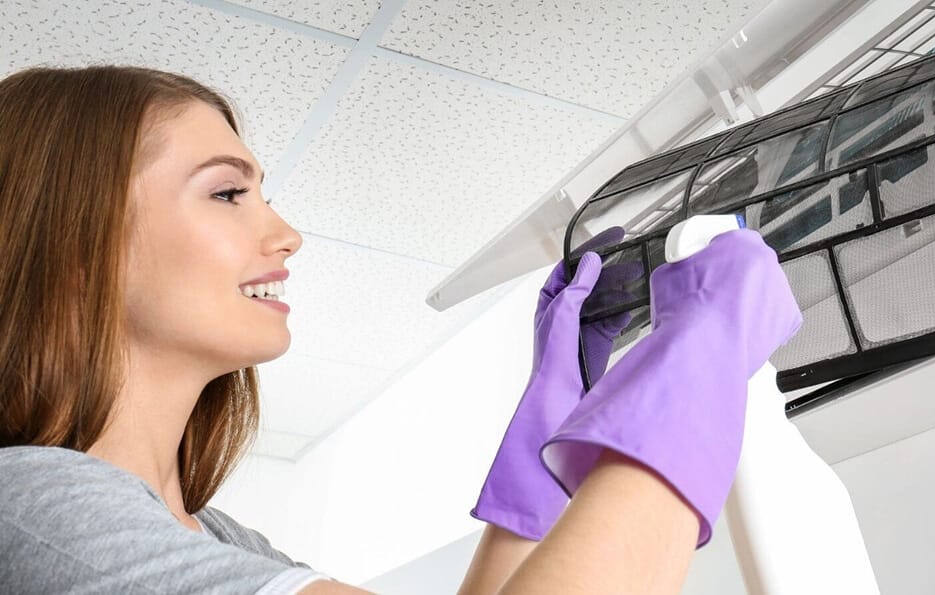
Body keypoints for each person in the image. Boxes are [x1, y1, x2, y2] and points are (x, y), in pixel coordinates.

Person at [0, 65, 801, 594]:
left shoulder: (213, 536)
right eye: (225, 193)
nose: (285, 234)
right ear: (77, 244)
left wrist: (545, 449)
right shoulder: (27, 505)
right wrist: (698, 362)